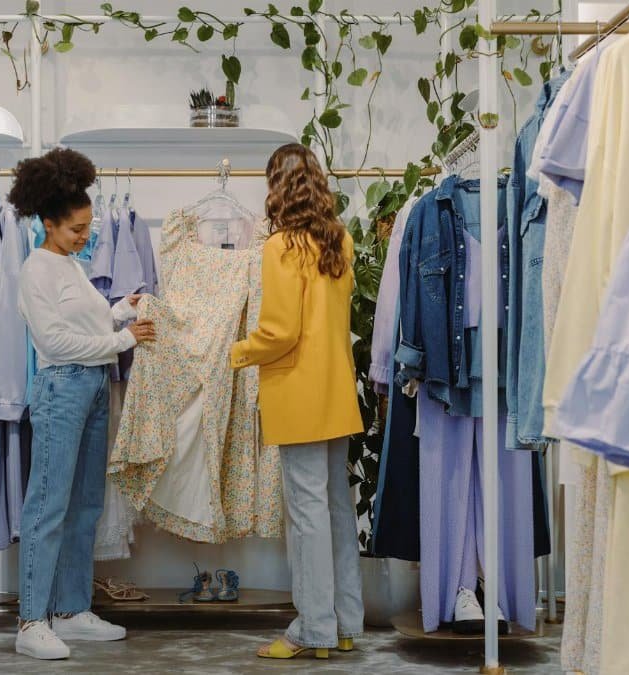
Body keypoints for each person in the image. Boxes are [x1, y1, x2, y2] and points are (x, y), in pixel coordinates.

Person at [9, 148, 156, 661]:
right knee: (48, 507)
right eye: (75, 228)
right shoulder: (36, 271)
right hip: (62, 389)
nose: (85, 235)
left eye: (88, 227)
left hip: (93, 388)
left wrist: (119, 311)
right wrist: (124, 340)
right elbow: (54, 343)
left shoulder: (70, 266)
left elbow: (85, 325)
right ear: (48, 223)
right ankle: (32, 620)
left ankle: (71, 611)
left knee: (86, 504)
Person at [231, 143, 365, 660]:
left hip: (299, 398)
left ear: (278, 188)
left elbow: (280, 332)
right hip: (336, 395)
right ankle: (345, 622)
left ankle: (314, 629)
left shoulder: (281, 246)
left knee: (307, 517)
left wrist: (238, 351)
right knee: (334, 512)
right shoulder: (341, 241)